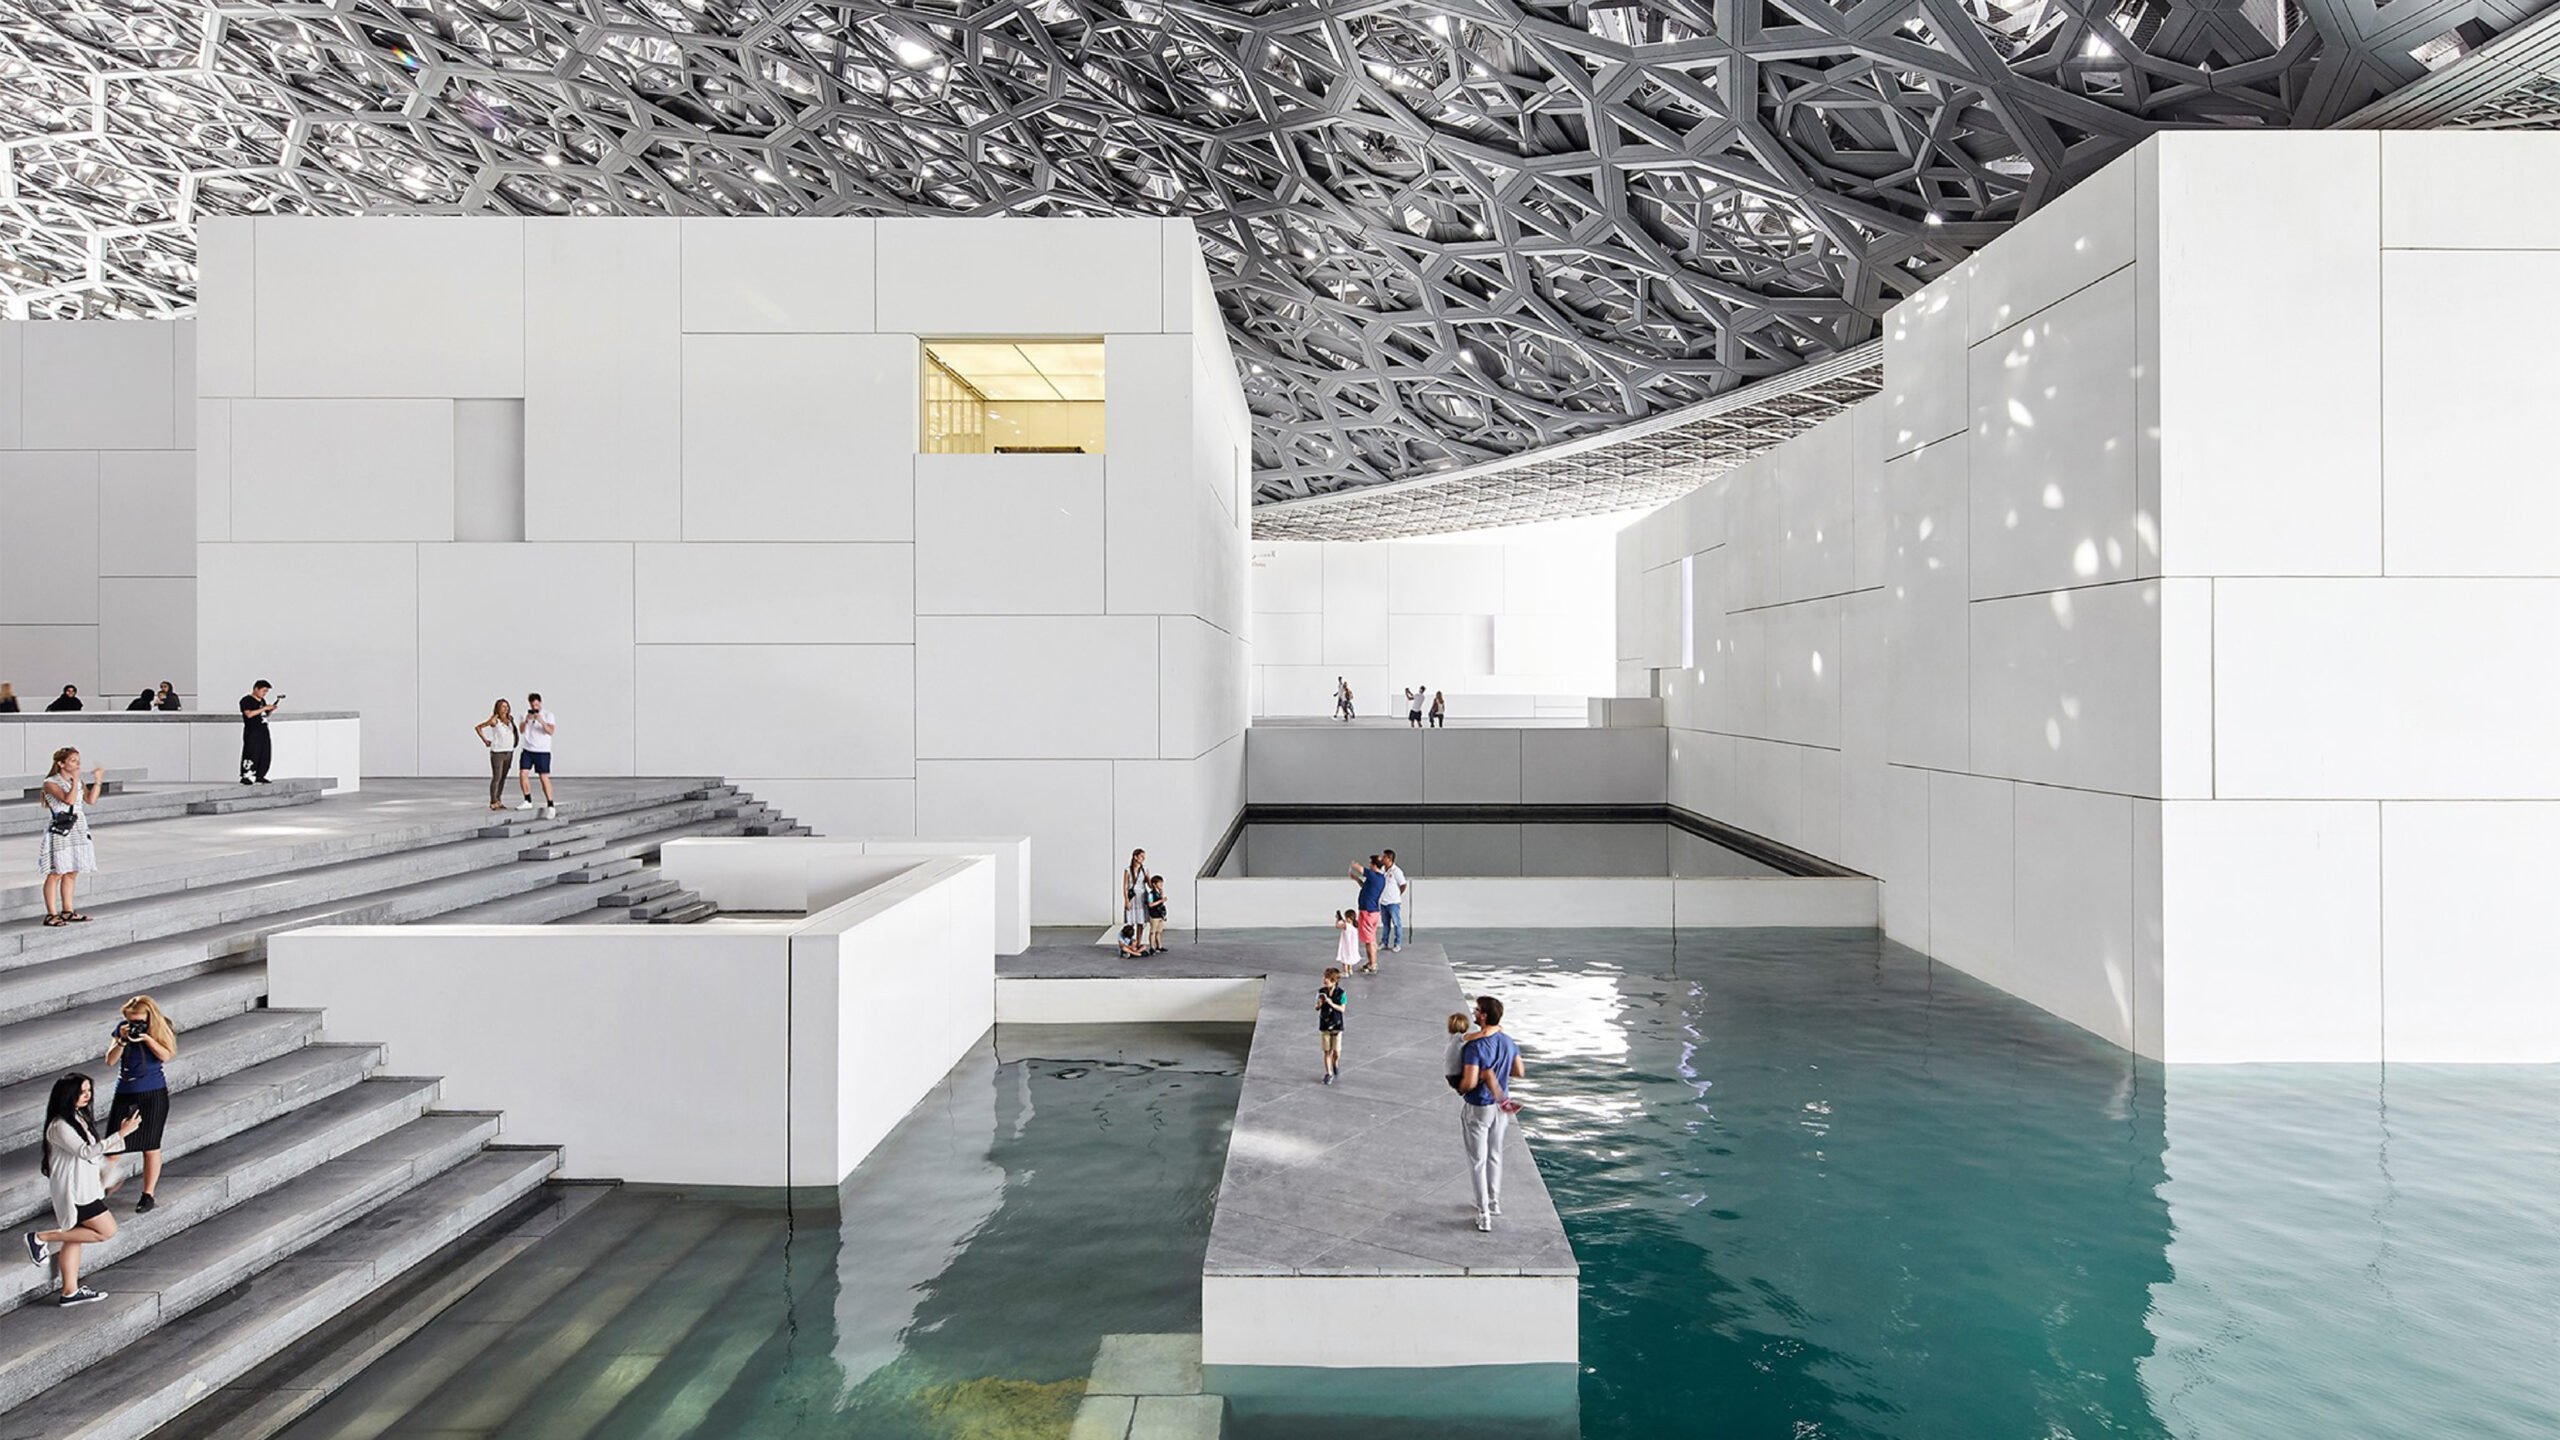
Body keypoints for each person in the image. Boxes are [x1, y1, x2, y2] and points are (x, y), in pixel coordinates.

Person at [24, 1072, 138, 1307]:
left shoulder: (78, 1118)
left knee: (74, 1240)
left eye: (89, 1091)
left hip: (87, 1188)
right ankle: (39, 1237)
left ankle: (70, 1291)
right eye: (82, 1092)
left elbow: (92, 1155)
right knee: (107, 1231)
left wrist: (110, 1174)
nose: (87, 1096)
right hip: (76, 1193)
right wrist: (122, 1133)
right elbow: (86, 1152)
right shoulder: (59, 1126)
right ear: (67, 1095)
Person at [1456, 994, 1525, 1233]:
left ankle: (1483, 1213)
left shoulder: (1474, 1047)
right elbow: (1519, 1071)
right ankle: (1494, 1202)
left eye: (1476, 1010)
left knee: (1478, 1161)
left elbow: (1469, 1082)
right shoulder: (1508, 1041)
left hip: (1479, 1106)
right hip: (1501, 1106)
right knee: (1495, 1154)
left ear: (1483, 1016)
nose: (1474, 1013)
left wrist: (1459, 1087)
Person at [104, 996, 174, 1212]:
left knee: (151, 1146)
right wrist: (122, 1041)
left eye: (139, 1021)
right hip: (125, 1091)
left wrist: (146, 1038)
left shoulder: (161, 1027)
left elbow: (166, 1055)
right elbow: (110, 1060)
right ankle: (101, 1186)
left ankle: (148, 1194)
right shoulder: (122, 1029)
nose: (135, 1025)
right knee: (114, 1145)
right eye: (131, 1020)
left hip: (153, 1093)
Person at [39, 747, 102, 926]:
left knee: (72, 871)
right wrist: (75, 781)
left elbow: (90, 800)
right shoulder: (50, 783)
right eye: (73, 760)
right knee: (56, 871)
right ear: (61, 763)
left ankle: (68, 910)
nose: (77, 763)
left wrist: (97, 781)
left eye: (77, 760)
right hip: (61, 829)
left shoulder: (77, 781)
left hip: (78, 827)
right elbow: (68, 800)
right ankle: (51, 914)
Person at [513, 693, 558, 818]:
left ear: (540, 703)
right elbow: (521, 730)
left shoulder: (548, 715)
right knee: (523, 773)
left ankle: (550, 805)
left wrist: (541, 721)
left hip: (542, 751)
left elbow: (551, 731)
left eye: (537, 704)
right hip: (528, 749)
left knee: (544, 778)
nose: (534, 706)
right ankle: (527, 800)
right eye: (532, 704)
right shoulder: (524, 715)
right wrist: (527, 720)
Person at [473, 698, 519, 812]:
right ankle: (493, 801)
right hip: (498, 752)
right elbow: (478, 727)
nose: (506, 708)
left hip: (509, 751)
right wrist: (485, 740)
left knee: (503, 778)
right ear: (498, 708)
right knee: (497, 777)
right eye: (503, 706)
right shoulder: (495, 720)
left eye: (507, 706)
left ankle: (499, 800)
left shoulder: (510, 719)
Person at [1346, 856, 1388, 973]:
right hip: (1373, 912)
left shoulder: (1373, 875)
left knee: (1369, 941)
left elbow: (1361, 869)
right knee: (1371, 939)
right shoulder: (1379, 879)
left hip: (1368, 912)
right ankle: (1371, 962)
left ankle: (1372, 964)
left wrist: (1354, 864)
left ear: (1375, 865)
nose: (1369, 865)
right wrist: (1357, 879)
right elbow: (1366, 887)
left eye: (1371, 863)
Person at [239, 680, 280, 784]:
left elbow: (263, 715)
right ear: (256, 689)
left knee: (264, 753)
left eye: (266, 692)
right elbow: (249, 714)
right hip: (252, 732)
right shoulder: (246, 700)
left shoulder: (262, 701)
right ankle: (247, 775)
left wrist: (269, 710)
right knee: (251, 752)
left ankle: (260, 775)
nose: (264, 693)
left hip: (263, 730)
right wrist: (264, 708)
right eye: (263, 691)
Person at [1316, 967, 1348, 1084]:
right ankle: (1328, 1073)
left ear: (1334, 981)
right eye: (1325, 978)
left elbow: (1342, 1009)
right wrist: (1319, 1005)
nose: (1325, 980)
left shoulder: (1341, 993)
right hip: (1325, 1024)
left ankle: (1335, 1062)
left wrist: (1331, 1003)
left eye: (1328, 979)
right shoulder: (1321, 992)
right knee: (1326, 1050)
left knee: (1336, 1051)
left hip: (1336, 1025)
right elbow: (1317, 1007)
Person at [1380, 849, 1409, 953]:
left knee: (1397, 924)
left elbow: (1403, 885)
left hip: (1393, 902)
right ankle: (1384, 942)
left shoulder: (1397, 871)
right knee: (1385, 923)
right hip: (1383, 901)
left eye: (1384, 857)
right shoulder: (1382, 869)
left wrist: (1397, 895)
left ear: (1389, 858)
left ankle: (1397, 944)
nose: (1382, 859)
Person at [1443, 1011, 1479, 1092]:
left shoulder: (1452, 1038)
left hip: (1450, 1075)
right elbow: (1471, 1036)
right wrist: (1486, 1033)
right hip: (1456, 1076)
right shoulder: (1458, 1037)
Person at [1119, 848, 1148, 936]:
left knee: (1141, 922)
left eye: (1144, 856)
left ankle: (1138, 943)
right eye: (1141, 856)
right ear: (1135, 857)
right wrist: (1126, 900)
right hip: (1132, 897)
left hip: (1142, 897)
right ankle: (1130, 941)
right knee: (1130, 921)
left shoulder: (1145, 869)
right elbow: (1125, 886)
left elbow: (1149, 884)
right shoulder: (1128, 870)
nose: (1143, 858)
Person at [1332, 908, 1361, 977]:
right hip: (1353, 945)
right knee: (1350, 957)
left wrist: (1337, 919)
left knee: (1345, 957)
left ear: (1348, 918)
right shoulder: (1355, 925)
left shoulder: (1346, 925)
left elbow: (1337, 926)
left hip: (1346, 944)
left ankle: (1345, 971)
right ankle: (1350, 969)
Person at [1144, 874, 1169, 952]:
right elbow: (1150, 904)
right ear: (1154, 884)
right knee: (1153, 932)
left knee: (1159, 931)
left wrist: (1161, 892)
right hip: (1154, 915)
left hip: (1160, 914)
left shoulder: (1158, 893)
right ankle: (1152, 947)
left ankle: (1159, 946)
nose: (1161, 884)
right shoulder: (1151, 894)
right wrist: (1161, 901)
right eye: (1159, 883)